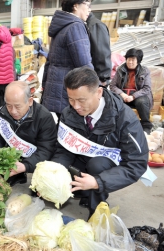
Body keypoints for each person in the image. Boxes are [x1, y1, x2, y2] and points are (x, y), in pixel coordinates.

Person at [50, 66, 148, 219]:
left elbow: (136, 164)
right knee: (58, 168)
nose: (75, 106)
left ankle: (97, 208)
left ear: (99, 92)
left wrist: (98, 182)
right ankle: (83, 192)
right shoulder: (68, 113)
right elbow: (63, 149)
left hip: (106, 165)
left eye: (81, 100)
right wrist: (52, 173)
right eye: (71, 99)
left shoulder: (125, 118)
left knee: (97, 165)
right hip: (82, 159)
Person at [0, 81, 57, 186]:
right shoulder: (3, 112)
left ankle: (25, 172)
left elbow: (46, 150)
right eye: (9, 106)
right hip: (13, 153)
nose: (13, 111)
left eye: (17, 106)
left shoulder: (44, 117)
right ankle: (17, 176)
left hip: (35, 155)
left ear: (30, 101)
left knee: (39, 189)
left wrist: (25, 166)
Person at [41, 0, 93, 120]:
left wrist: (45, 87)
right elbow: (84, 65)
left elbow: (49, 62)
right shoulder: (75, 26)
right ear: (75, 6)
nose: (90, 10)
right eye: (87, 5)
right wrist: (95, 88)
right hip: (68, 92)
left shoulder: (61, 26)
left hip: (53, 90)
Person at [110, 48, 153, 134]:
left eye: (133, 60)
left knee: (141, 101)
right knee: (112, 100)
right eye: (129, 59)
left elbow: (147, 88)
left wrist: (133, 96)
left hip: (138, 95)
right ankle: (114, 125)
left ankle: (146, 125)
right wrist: (122, 94)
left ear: (138, 61)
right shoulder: (120, 70)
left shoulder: (144, 71)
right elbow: (112, 85)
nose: (130, 62)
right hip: (123, 95)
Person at [86, 12, 112, 86]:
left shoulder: (95, 25)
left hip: (96, 79)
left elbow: (101, 53)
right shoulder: (84, 24)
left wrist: (103, 78)